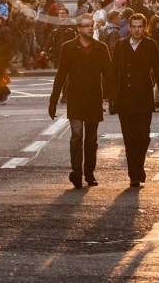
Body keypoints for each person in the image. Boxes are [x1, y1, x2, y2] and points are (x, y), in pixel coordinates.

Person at [49, 13, 115, 188]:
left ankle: (89, 172)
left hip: (94, 98)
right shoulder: (68, 48)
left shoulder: (101, 48)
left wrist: (113, 98)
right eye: (85, 26)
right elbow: (61, 75)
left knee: (91, 139)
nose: (89, 28)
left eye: (91, 25)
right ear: (78, 29)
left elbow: (109, 75)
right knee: (76, 136)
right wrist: (53, 101)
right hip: (75, 98)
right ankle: (76, 172)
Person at [110, 13, 159, 188]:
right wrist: (112, 96)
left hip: (143, 98)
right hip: (125, 99)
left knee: (143, 137)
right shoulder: (120, 45)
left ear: (145, 27)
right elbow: (114, 72)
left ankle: (138, 166)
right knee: (129, 138)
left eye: (140, 26)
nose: (137, 30)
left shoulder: (151, 45)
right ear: (129, 27)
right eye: (134, 26)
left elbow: (157, 70)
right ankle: (134, 174)